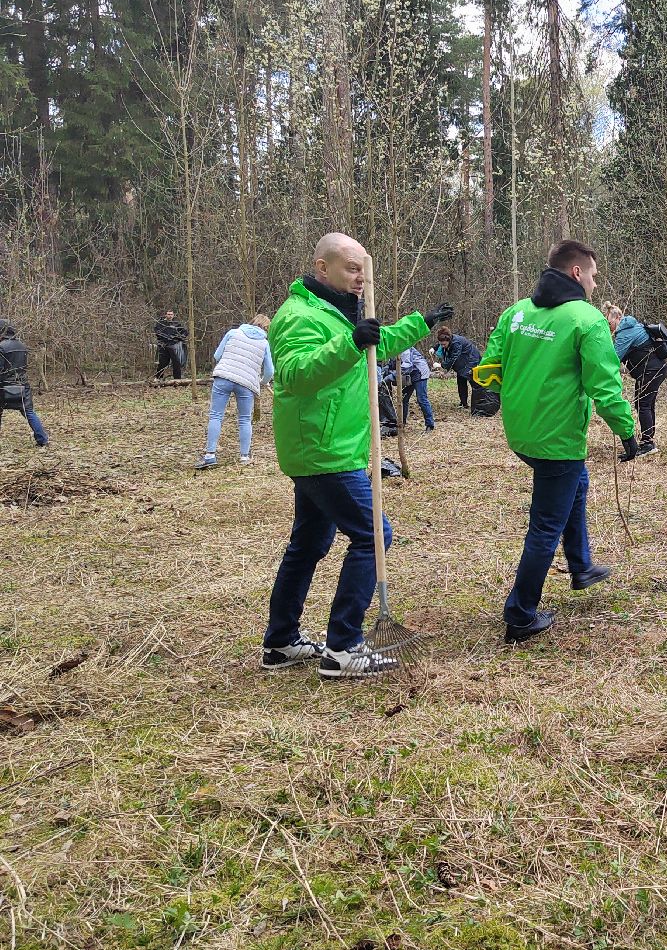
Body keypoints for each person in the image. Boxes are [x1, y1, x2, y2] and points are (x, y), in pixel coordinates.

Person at [262, 231, 453, 677]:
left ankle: (280, 643)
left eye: (363, 269)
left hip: (333, 447)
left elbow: (374, 344)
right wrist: (349, 342)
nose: (360, 278)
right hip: (322, 450)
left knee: (308, 544)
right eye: (351, 268)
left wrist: (419, 322)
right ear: (322, 267)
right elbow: (295, 374)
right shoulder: (297, 316)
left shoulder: (342, 312)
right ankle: (344, 647)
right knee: (373, 535)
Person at [482, 239, 639, 643]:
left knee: (577, 483)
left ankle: (581, 564)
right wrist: (626, 431)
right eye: (592, 275)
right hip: (557, 439)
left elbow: (489, 368)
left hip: (522, 434)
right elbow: (604, 386)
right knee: (545, 525)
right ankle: (519, 614)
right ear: (576, 273)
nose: (594, 283)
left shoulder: (516, 312)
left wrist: (523, 397)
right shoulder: (586, 320)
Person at [195, 314, 274, 469]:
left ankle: (210, 455)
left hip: (223, 377)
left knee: (216, 415)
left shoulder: (233, 332)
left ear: (252, 322)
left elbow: (217, 355)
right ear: (266, 328)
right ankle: (244, 457)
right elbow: (270, 371)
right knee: (244, 419)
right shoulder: (264, 343)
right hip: (247, 383)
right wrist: (262, 382)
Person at [610, 305, 667, 456]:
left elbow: (613, 359)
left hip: (650, 370)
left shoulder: (625, 333)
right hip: (656, 368)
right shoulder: (635, 326)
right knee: (646, 404)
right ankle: (648, 439)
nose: (609, 326)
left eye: (609, 322)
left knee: (643, 404)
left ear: (617, 317)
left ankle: (648, 443)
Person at [0, 320, 49, 448]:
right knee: (29, 412)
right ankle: (42, 439)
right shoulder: (22, 346)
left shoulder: (1, 347)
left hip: (3, 386)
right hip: (22, 384)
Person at [434, 326, 482, 413]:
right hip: (463, 361)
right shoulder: (449, 338)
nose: (442, 346)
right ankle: (464, 403)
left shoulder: (456, 343)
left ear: (449, 340)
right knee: (461, 381)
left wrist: (441, 365)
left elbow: (453, 358)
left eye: (444, 345)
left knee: (474, 383)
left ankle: (478, 406)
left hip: (471, 359)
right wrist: (434, 348)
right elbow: (440, 344)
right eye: (441, 344)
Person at [399, 344, 435, 431]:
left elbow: (407, 366)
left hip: (420, 371)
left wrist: (392, 375)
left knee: (421, 399)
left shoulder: (404, 347)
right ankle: (401, 423)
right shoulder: (393, 350)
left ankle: (430, 424)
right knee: (403, 398)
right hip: (410, 374)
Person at [154, 310, 188, 380]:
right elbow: (157, 333)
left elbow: (184, 332)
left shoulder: (176, 324)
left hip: (174, 346)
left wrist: (178, 338)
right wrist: (165, 339)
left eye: (171, 314)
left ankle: (177, 380)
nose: (170, 316)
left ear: (173, 315)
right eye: (168, 314)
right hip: (163, 346)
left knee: (176, 363)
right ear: (166, 315)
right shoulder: (160, 324)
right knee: (162, 363)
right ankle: (158, 378)